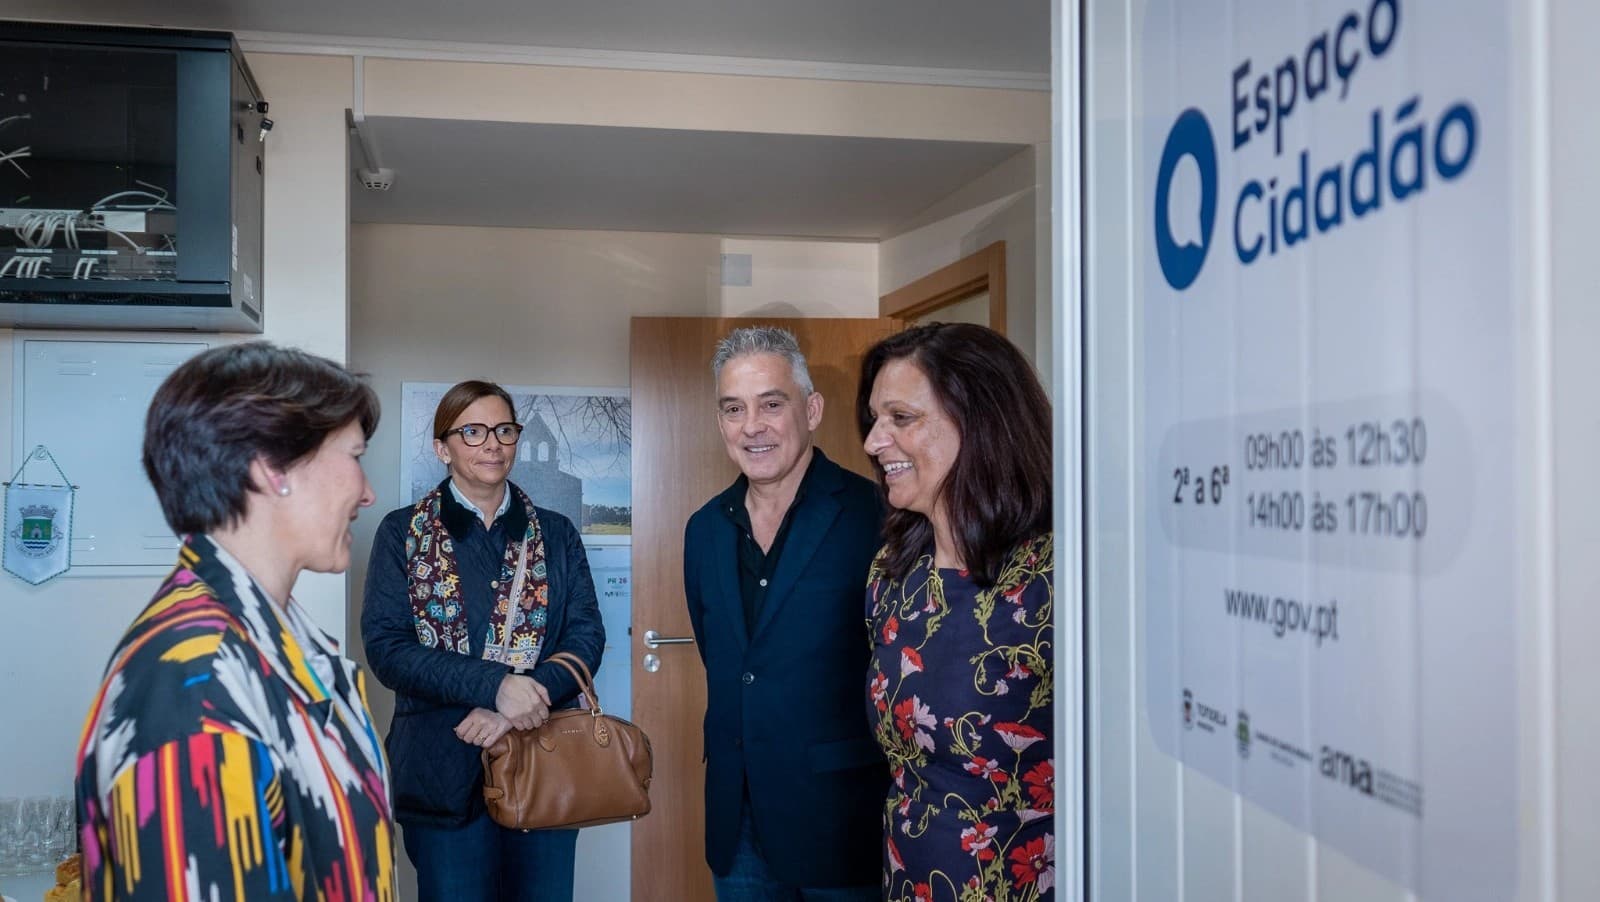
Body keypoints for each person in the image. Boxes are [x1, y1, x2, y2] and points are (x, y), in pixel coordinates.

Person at [74, 341, 394, 900]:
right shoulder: (195, 686)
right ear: (271, 468)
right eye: (354, 455)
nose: (367, 494)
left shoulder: (272, 646)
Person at [361, 380, 604, 902]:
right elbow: (388, 649)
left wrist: (512, 706)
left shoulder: (557, 534)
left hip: (544, 761)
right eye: (472, 431)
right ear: (442, 448)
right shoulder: (401, 533)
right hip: (440, 766)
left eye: (504, 430)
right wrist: (496, 685)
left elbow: (585, 638)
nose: (492, 443)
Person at [683, 326, 888, 901]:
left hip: (839, 818)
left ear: (812, 408)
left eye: (772, 404)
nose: (753, 425)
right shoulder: (703, 529)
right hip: (736, 821)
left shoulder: (876, 516)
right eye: (734, 408)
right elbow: (724, 655)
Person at [858, 323, 1055, 902]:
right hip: (908, 880)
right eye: (875, 419)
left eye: (900, 417)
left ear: (980, 422)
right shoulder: (894, 574)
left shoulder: (1055, 579)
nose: (873, 441)